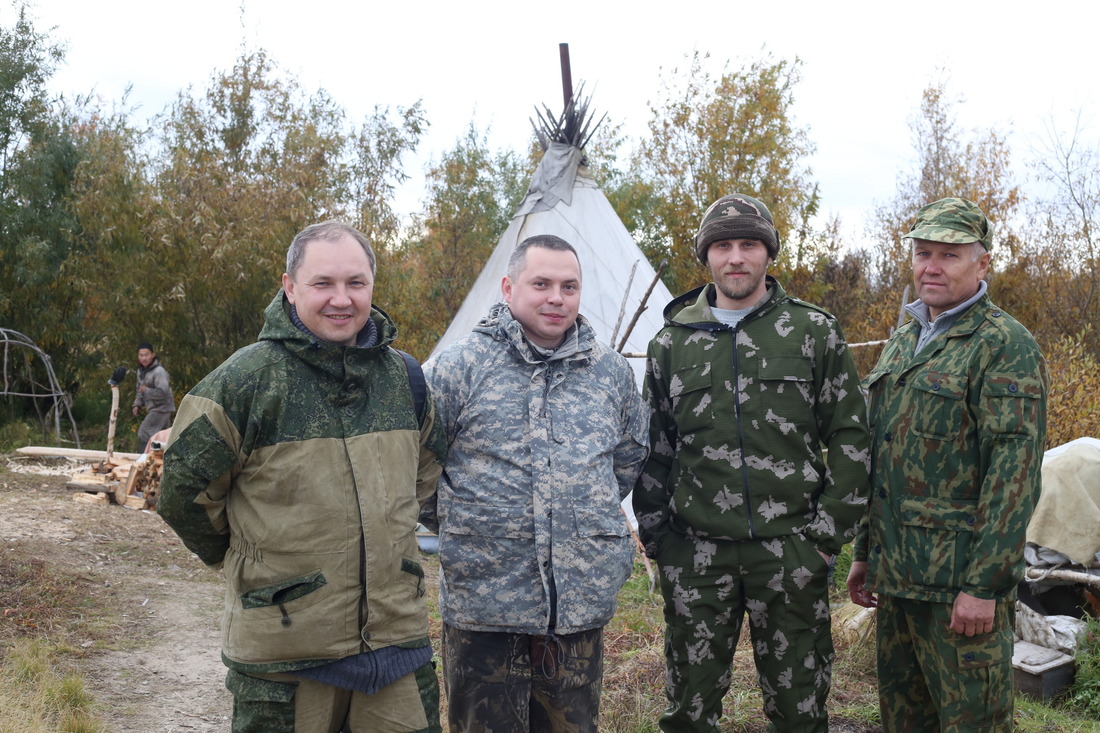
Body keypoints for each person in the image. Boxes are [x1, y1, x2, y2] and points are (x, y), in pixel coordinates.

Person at [158, 221, 446, 733]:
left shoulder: (405, 379)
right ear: (290, 287)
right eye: (323, 284)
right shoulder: (244, 382)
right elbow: (184, 495)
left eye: (356, 283)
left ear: (372, 286)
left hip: (396, 645)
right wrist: (260, 566)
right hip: (284, 656)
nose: (342, 299)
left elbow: (422, 474)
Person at [633, 193, 872, 733]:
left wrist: (822, 539)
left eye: (748, 244)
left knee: (799, 712)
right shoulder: (673, 342)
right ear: (707, 257)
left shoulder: (813, 332)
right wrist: (660, 539)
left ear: (768, 254)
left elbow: (852, 436)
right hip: (696, 554)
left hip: (789, 553)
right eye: (723, 246)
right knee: (689, 712)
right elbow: (654, 448)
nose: (735, 257)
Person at [422, 234, 648, 732]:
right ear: (508, 287)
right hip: (486, 604)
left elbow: (627, 461)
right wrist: (474, 527)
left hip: (576, 609)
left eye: (569, 286)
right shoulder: (459, 367)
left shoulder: (608, 372)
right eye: (541, 283)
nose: (556, 297)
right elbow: (419, 467)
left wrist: (578, 515)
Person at [846, 198, 1048, 731]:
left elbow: (1014, 477)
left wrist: (984, 586)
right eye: (922, 252)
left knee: (971, 724)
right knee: (904, 721)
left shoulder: (1004, 346)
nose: (930, 266)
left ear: (981, 265)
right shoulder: (908, 337)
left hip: (957, 591)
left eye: (949, 255)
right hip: (898, 582)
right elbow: (883, 457)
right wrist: (866, 552)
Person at [132, 342, 175, 449]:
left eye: (146, 355)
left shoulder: (159, 371)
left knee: (144, 433)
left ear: (152, 355)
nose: (144, 358)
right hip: (154, 408)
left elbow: (164, 392)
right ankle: (160, 461)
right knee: (162, 438)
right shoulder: (141, 371)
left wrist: (147, 391)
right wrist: (137, 404)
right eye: (141, 355)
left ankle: (144, 460)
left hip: (162, 408)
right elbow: (140, 390)